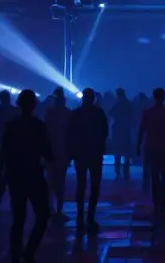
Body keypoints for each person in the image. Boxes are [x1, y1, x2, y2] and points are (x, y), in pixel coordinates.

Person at [1, 90, 53, 261]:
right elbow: (47, 151)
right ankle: (29, 250)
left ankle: (15, 254)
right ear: (34, 105)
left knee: (18, 218)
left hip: (15, 175)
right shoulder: (39, 126)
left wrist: (2, 174)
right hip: (34, 174)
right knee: (43, 215)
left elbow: (4, 151)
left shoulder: (11, 126)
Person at [67, 88, 109, 231]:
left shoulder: (76, 113)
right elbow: (104, 132)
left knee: (81, 184)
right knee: (94, 186)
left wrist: (71, 151)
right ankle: (90, 216)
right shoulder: (99, 113)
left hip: (80, 153)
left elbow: (70, 133)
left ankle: (80, 215)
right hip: (94, 153)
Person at [136, 87, 165, 216]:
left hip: (152, 147)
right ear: (163, 97)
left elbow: (142, 130)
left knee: (154, 176)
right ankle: (163, 201)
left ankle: (157, 202)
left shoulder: (148, 113)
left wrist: (138, 145)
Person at [44, 88, 71, 218]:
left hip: (51, 150)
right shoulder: (67, 113)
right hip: (62, 151)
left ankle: (51, 207)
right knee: (60, 181)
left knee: (51, 181)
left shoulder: (50, 113)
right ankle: (58, 209)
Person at [109, 88, 134, 179]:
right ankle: (126, 168)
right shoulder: (128, 104)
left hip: (118, 128)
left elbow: (110, 113)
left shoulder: (117, 104)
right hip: (126, 129)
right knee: (126, 150)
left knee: (118, 150)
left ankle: (117, 168)